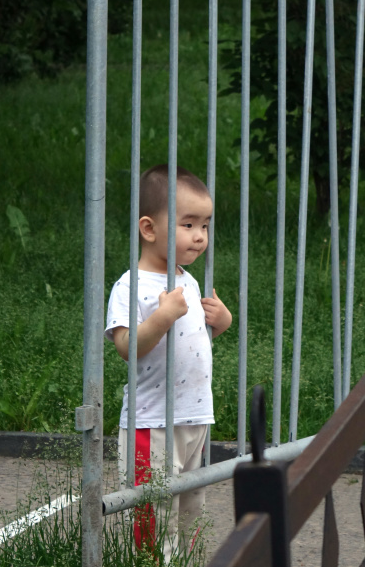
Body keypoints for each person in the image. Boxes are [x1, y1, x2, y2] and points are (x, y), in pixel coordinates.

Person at [104, 163, 232, 561]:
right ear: (149, 229)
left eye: (205, 225)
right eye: (188, 224)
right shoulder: (131, 285)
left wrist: (221, 322)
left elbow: (190, 342)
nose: (200, 236)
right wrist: (161, 317)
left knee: (192, 509)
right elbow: (127, 346)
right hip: (152, 423)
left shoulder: (188, 280)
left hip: (195, 416)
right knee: (154, 512)